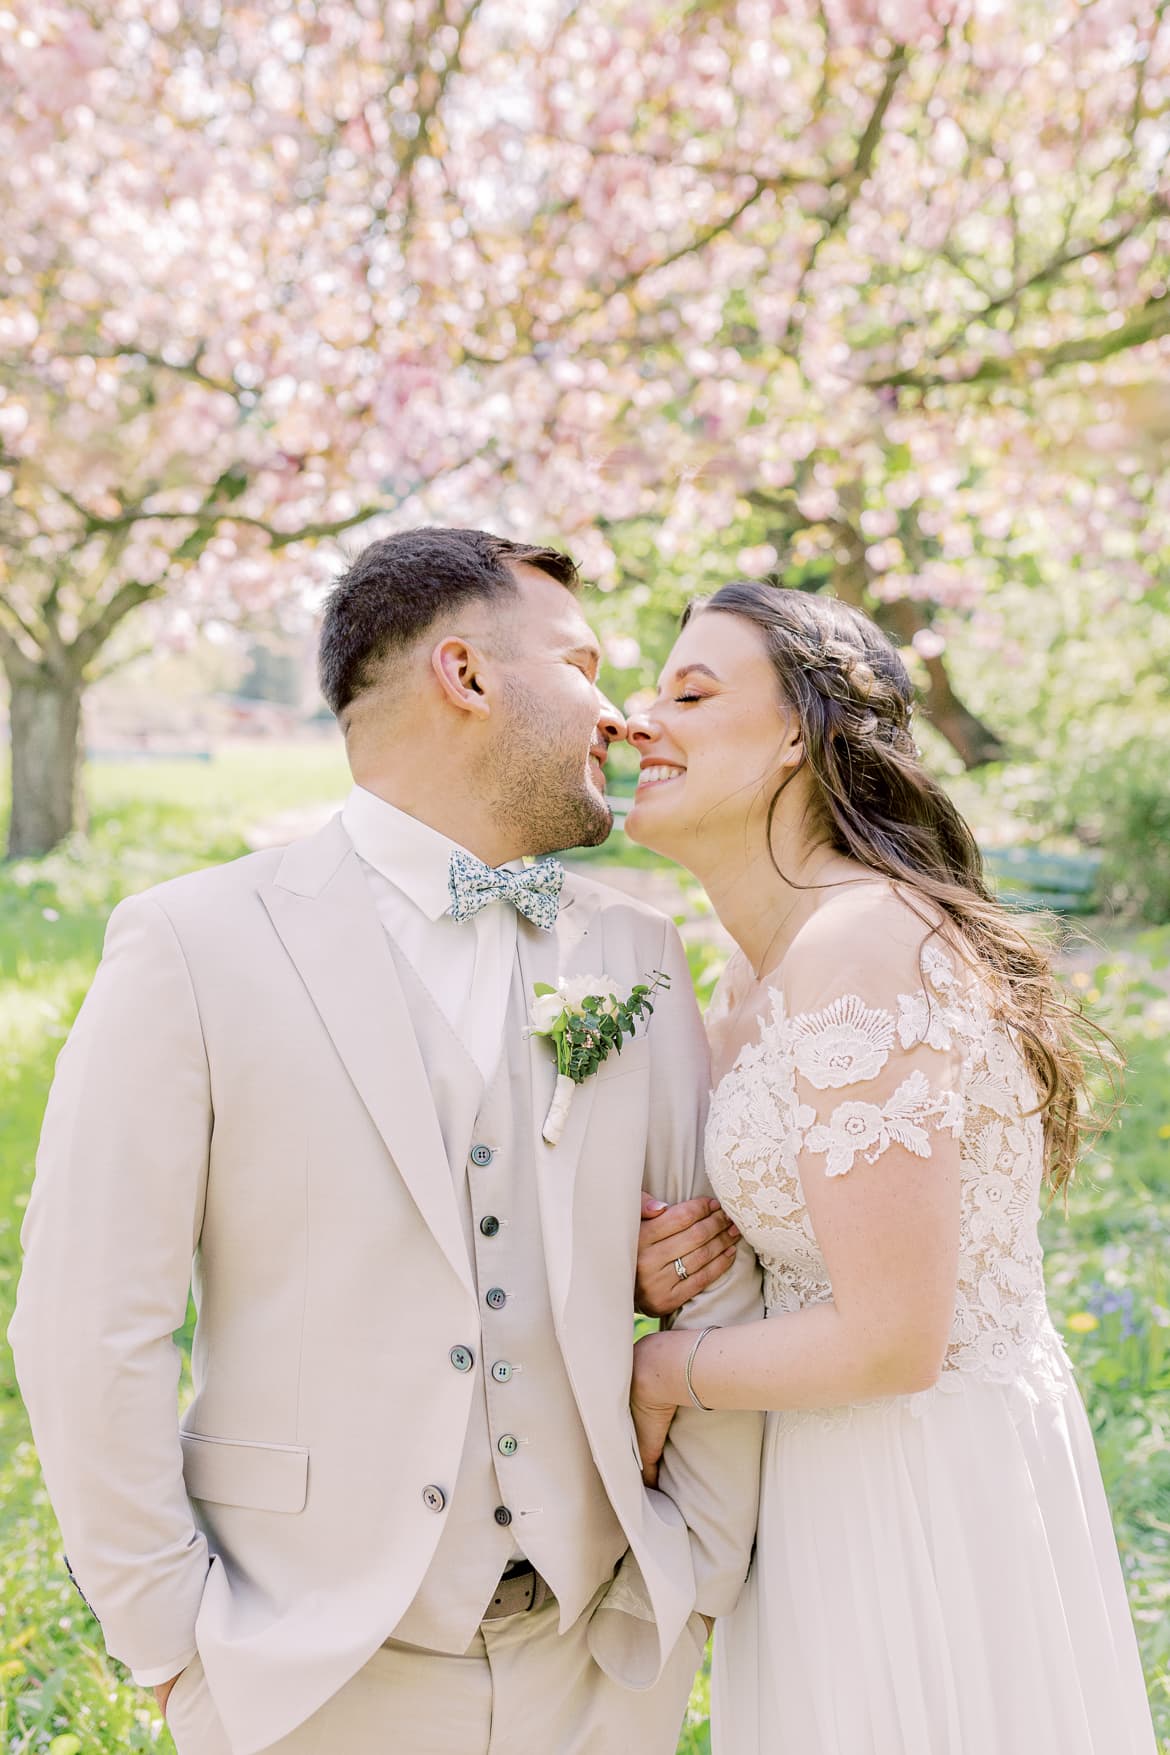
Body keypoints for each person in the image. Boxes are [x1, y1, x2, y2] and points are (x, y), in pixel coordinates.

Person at [9, 528, 764, 1755]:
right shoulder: (193, 945)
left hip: (598, 1664)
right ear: (465, 675)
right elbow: (87, 1321)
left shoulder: (634, 951)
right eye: (581, 666)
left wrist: (693, 1574)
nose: (619, 715)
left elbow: (719, 1271)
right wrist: (172, 1645)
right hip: (306, 1673)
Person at [625, 580, 1157, 1755]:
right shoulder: (754, 969)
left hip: (919, 1485)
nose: (637, 720)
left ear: (797, 736)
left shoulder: (864, 942)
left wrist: (656, 1371)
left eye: (691, 695)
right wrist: (670, 1264)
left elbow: (889, 1339)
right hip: (822, 1476)